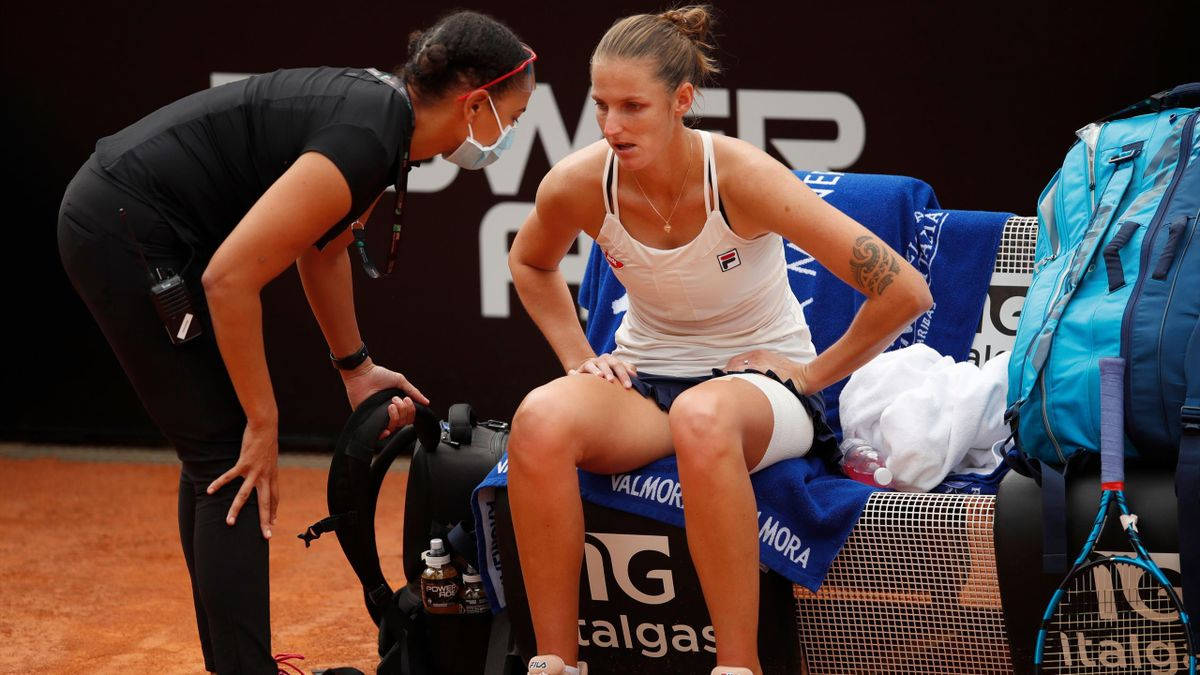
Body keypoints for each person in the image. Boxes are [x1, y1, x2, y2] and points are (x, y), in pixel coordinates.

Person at [57, 11, 535, 674]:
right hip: (125, 229)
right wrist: (263, 419)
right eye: (512, 117)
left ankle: (237, 659)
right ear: (474, 103)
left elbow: (326, 249)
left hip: (138, 221)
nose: (508, 135)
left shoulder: (386, 125)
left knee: (214, 454)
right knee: (229, 453)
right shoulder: (371, 133)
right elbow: (229, 280)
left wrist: (356, 367)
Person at [506, 6, 932, 675]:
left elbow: (906, 289)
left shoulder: (741, 177)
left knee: (703, 417)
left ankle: (739, 667)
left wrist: (809, 375)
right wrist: (578, 358)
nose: (612, 127)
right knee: (537, 420)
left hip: (759, 395)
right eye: (600, 106)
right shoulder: (580, 184)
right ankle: (556, 662)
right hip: (647, 384)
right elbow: (529, 263)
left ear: (682, 102)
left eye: (633, 106)